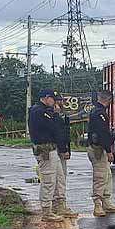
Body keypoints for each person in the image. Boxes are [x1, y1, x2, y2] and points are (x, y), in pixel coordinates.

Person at [29, 89, 65, 222]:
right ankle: (46, 211)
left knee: (59, 178)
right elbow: (54, 127)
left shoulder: (41, 110)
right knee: (48, 181)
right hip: (45, 150)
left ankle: (58, 207)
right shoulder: (39, 111)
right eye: (52, 99)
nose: (54, 102)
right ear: (45, 98)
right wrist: (55, 115)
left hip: (51, 149)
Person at [87, 89, 115, 217]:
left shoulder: (97, 111)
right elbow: (102, 134)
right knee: (100, 177)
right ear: (108, 100)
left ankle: (106, 202)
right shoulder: (99, 113)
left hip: (99, 148)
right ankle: (97, 204)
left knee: (107, 175)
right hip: (98, 149)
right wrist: (109, 151)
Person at [52, 103, 78, 217]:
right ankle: (59, 206)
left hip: (59, 149)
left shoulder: (61, 117)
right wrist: (64, 150)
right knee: (59, 178)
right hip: (57, 150)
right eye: (58, 102)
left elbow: (65, 135)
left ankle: (57, 205)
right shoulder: (54, 117)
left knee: (60, 178)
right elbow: (59, 135)